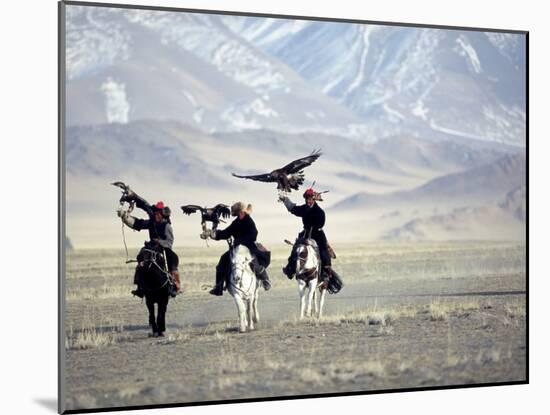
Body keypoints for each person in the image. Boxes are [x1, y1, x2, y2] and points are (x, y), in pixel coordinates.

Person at [117, 192, 181, 298]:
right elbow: (139, 223)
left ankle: (174, 285)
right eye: (155, 213)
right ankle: (139, 287)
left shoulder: (167, 226)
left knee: (173, 259)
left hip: (163, 249)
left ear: (161, 214)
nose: (155, 215)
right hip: (151, 247)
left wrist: (159, 242)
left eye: (157, 214)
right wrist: (126, 217)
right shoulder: (152, 222)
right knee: (140, 258)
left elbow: (169, 242)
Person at [206, 202, 271, 296]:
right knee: (223, 260)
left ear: (242, 212)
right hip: (236, 249)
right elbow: (226, 233)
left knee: (255, 262)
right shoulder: (236, 222)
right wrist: (213, 234)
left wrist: (240, 241)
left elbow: (254, 234)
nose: (238, 215)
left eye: (238, 213)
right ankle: (218, 287)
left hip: (249, 247)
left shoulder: (249, 221)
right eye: (237, 214)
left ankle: (265, 280)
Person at [280, 188, 334, 282]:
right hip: (305, 233)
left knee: (323, 250)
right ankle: (290, 269)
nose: (308, 201)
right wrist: (285, 200)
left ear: (313, 200)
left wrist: (312, 227)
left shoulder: (320, 212)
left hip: (317, 234)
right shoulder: (304, 208)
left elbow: (320, 224)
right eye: (307, 199)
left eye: (310, 199)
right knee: (296, 249)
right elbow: (294, 209)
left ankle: (325, 272)